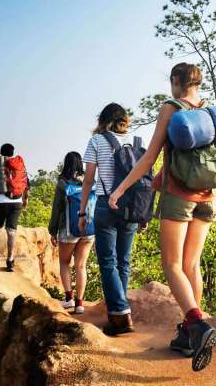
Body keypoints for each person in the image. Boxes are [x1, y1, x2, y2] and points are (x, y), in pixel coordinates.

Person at [106, 63, 216, 372]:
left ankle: (198, 325)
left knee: (172, 265)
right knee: (192, 265)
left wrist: (120, 189)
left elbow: (149, 156)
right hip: (211, 198)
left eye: (172, 82)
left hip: (180, 200)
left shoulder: (171, 108)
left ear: (176, 82)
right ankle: (190, 336)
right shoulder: (211, 114)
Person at [78, 103, 144, 336]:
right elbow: (144, 177)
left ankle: (120, 314)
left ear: (102, 119)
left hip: (107, 204)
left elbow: (88, 180)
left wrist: (83, 211)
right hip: (133, 205)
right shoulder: (136, 140)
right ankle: (119, 312)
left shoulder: (97, 141)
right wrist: (144, 213)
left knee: (108, 261)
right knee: (123, 261)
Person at [48, 152, 95, 315]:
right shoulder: (90, 181)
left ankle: (69, 299)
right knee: (81, 265)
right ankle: (80, 304)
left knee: (64, 263)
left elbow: (57, 209)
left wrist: (52, 231)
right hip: (89, 229)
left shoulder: (63, 183)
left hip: (69, 230)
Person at [0, 143, 29, 272]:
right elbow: (26, 184)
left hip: (0, 202)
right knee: (11, 231)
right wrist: (25, 199)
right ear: (13, 152)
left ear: (1, 153)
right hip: (17, 202)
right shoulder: (20, 166)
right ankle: (10, 260)